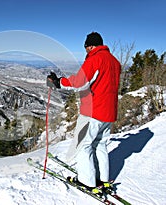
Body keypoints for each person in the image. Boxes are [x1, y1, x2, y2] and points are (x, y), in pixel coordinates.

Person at [47, 32, 121, 193]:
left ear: (91, 46)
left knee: (83, 145)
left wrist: (58, 82)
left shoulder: (95, 59)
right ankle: (104, 180)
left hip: (93, 111)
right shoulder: (115, 62)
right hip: (109, 112)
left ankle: (87, 182)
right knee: (100, 145)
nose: (86, 51)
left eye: (86, 47)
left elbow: (79, 81)